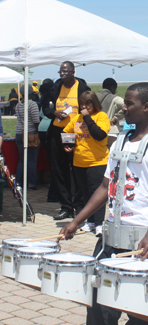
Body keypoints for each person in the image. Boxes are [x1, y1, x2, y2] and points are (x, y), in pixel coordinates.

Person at [59, 82, 148, 325]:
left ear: (146, 107)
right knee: (98, 306)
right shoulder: (120, 142)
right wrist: (76, 221)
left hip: (143, 244)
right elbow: (105, 187)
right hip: (110, 240)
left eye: (129, 103)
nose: (124, 107)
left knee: (141, 314)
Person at [43, 61, 90, 220]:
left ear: (73, 72)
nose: (62, 74)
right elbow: (45, 108)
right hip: (59, 132)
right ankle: (66, 207)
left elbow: (91, 107)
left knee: (76, 168)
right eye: (60, 72)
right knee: (59, 169)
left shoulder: (81, 87)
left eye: (65, 72)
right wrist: (54, 113)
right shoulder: (56, 88)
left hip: (76, 132)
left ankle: (79, 206)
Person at [63, 91, 110, 236]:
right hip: (79, 162)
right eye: (82, 104)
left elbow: (99, 134)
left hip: (97, 162)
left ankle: (99, 224)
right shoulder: (77, 118)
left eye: (87, 104)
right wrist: (68, 143)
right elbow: (66, 131)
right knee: (85, 193)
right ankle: (90, 222)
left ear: (94, 103)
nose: (84, 107)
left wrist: (88, 117)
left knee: (97, 193)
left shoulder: (101, 116)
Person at [15, 85, 40, 190]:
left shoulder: (18, 104)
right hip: (31, 133)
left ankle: (18, 182)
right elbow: (36, 121)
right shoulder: (32, 104)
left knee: (22, 160)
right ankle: (32, 183)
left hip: (19, 132)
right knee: (32, 160)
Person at [38, 79, 58, 202]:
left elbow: (41, 115)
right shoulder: (55, 98)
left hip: (42, 129)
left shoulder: (44, 101)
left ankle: (52, 187)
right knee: (55, 161)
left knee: (51, 160)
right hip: (51, 129)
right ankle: (54, 190)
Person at [96, 78, 124, 148]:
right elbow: (127, 107)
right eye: (115, 90)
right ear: (112, 88)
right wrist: (116, 118)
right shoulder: (115, 99)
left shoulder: (93, 97)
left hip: (96, 131)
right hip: (111, 131)